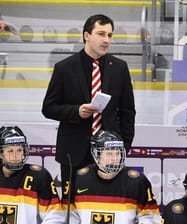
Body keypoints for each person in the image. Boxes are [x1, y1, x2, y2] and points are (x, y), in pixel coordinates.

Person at [42, 14, 136, 198]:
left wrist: (123, 147)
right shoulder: (64, 68)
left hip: (109, 152)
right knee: (73, 205)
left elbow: (128, 111)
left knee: (106, 204)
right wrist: (76, 111)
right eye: (101, 34)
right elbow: (49, 107)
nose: (106, 40)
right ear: (87, 35)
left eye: (109, 35)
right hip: (73, 150)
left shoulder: (119, 68)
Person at [0, 126, 65, 224]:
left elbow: (55, 216)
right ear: (0, 153)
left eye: (19, 150)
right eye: (10, 151)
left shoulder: (39, 176)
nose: (15, 155)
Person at [68, 130, 161, 224]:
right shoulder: (80, 178)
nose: (115, 158)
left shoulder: (137, 181)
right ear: (97, 155)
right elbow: (71, 215)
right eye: (109, 154)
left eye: (118, 153)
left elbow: (150, 217)